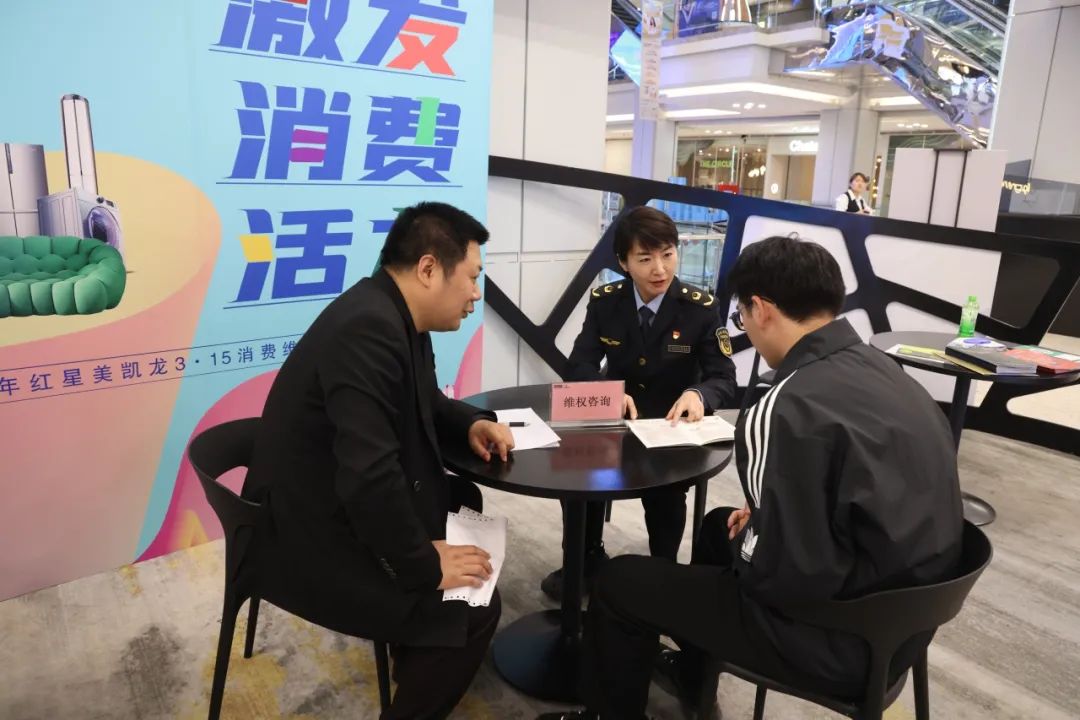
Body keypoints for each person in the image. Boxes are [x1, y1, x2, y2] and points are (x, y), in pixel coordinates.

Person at [539, 235, 963, 720]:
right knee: (717, 526)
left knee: (620, 584)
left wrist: (758, 537)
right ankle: (695, 676)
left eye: (742, 316)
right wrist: (765, 519)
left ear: (760, 310)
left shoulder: (784, 404)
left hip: (833, 636)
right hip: (904, 625)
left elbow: (781, 576)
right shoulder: (890, 374)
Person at [243, 202, 515, 720]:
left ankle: (415, 660)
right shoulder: (367, 328)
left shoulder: (398, 316)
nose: (476, 294)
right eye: (473, 277)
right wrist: (424, 564)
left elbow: (425, 399)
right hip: (303, 533)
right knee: (474, 604)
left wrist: (470, 423)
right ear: (429, 268)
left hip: (331, 495)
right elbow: (368, 478)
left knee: (461, 498)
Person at [540, 206, 737, 601]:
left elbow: (724, 377)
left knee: (666, 494)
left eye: (668, 254)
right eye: (645, 259)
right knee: (579, 476)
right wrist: (606, 392)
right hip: (615, 421)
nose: (659, 269)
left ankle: (663, 571)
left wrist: (698, 395)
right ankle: (584, 558)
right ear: (623, 262)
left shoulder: (699, 307)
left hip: (670, 425)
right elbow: (579, 364)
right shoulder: (605, 301)